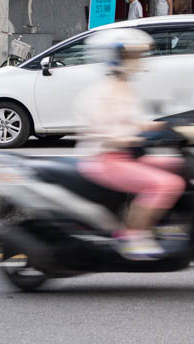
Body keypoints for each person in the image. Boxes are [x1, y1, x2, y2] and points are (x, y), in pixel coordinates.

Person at [75, 28, 185, 260]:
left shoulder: (122, 88)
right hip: (104, 161)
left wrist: (163, 126)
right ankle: (132, 235)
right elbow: (105, 136)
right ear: (115, 58)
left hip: (124, 157)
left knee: (178, 165)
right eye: (132, 57)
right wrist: (135, 138)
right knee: (166, 184)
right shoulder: (100, 93)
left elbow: (133, 122)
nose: (137, 62)